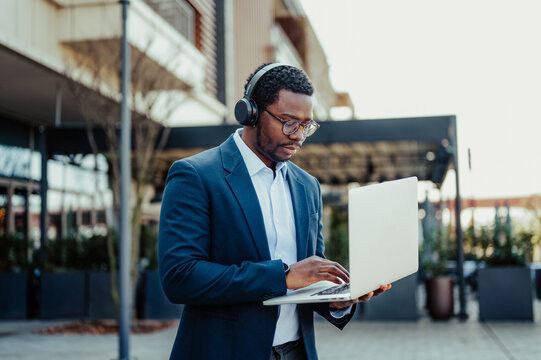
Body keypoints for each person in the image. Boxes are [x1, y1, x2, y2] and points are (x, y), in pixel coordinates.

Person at [158, 63, 390, 360]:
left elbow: (308, 280)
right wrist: (282, 276)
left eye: (306, 125)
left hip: (296, 352)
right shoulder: (195, 175)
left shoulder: (308, 187)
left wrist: (338, 299)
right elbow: (180, 277)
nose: (298, 136)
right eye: (288, 122)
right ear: (250, 113)